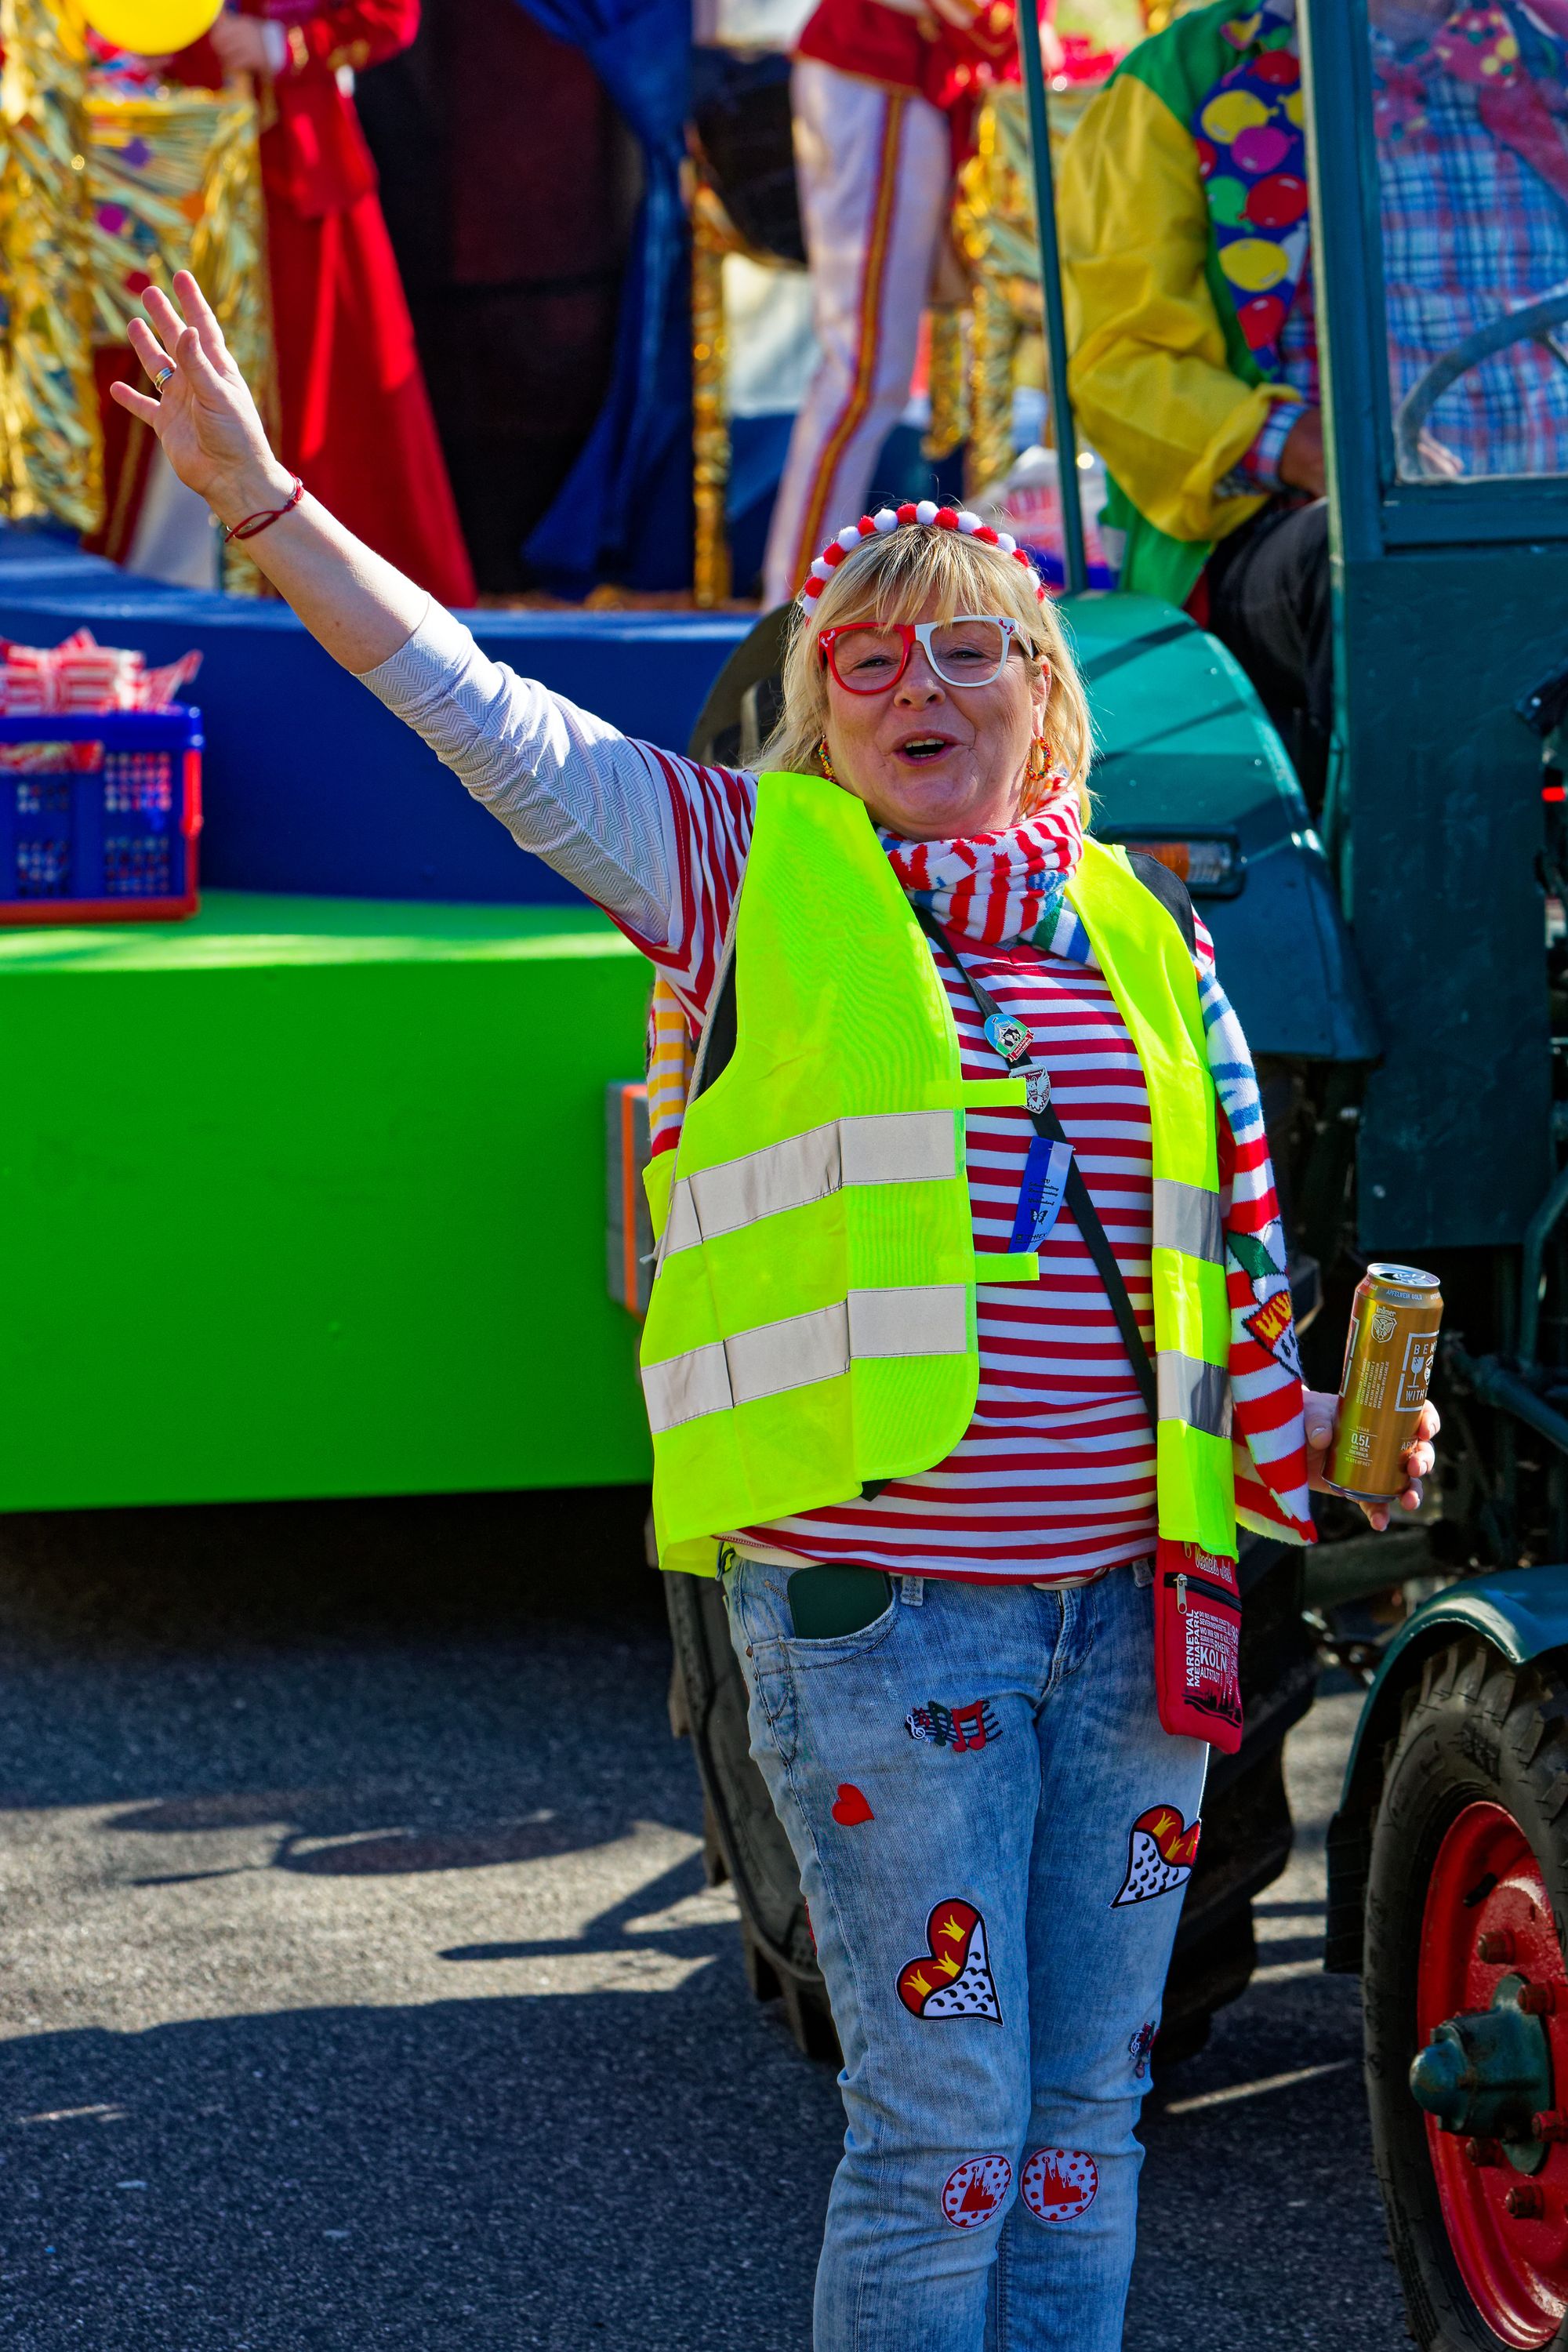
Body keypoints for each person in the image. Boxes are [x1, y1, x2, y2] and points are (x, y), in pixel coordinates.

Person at [114, 271, 1438, 2352]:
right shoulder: (747, 872)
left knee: (1089, 2118)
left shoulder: (1151, 937)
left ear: (1054, 708)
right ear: (820, 716)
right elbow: (490, 719)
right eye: (868, 657)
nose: (924, 680)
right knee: (944, 2129)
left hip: (1142, 1620)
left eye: (976, 649)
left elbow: (1231, 1289)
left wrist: (1342, 1458)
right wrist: (267, 505)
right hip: (881, 1619)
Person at [1058, 0, 1568, 802]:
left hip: (1543, 516)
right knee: (1381, 574)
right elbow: (1122, 365)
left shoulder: (1544, 51)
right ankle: (1429, 906)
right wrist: (1311, 447)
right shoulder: (1184, 79)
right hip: (1292, 529)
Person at [93, 0, 475, 607]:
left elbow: (390, 15)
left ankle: (332, 595)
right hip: (181, 161)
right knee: (163, 346)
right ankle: (168, 571)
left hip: (298, 175)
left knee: (320, 387)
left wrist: (282, 46)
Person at [760, 0, 1062, 612]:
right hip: (880, 64)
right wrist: (1011, 35)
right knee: (864, 370)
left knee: (870, 371)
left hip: (918, 69)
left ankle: (797, 605)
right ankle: (789, 613)